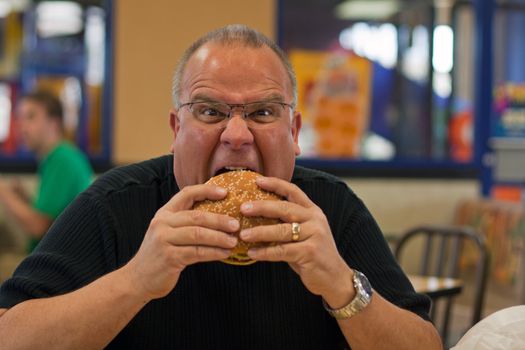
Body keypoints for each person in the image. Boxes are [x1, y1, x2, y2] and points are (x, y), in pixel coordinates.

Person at [0, 25, 442, 349]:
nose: (236, 135)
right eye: (209, 112)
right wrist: (135, 281)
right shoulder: (116, 205)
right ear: (175, 129)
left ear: (295, 131)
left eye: (264, 113)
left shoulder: (330, 209)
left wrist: (342, 287)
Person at [0, 90, 94, 253]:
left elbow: (38, 227)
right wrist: (24, 198)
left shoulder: (62, 159)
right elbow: (53, 220)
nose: (22, 126)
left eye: (30, 117)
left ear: (54, 123)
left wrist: (3, 192)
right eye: (20, 118)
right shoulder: (55, 158)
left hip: (53, 270)